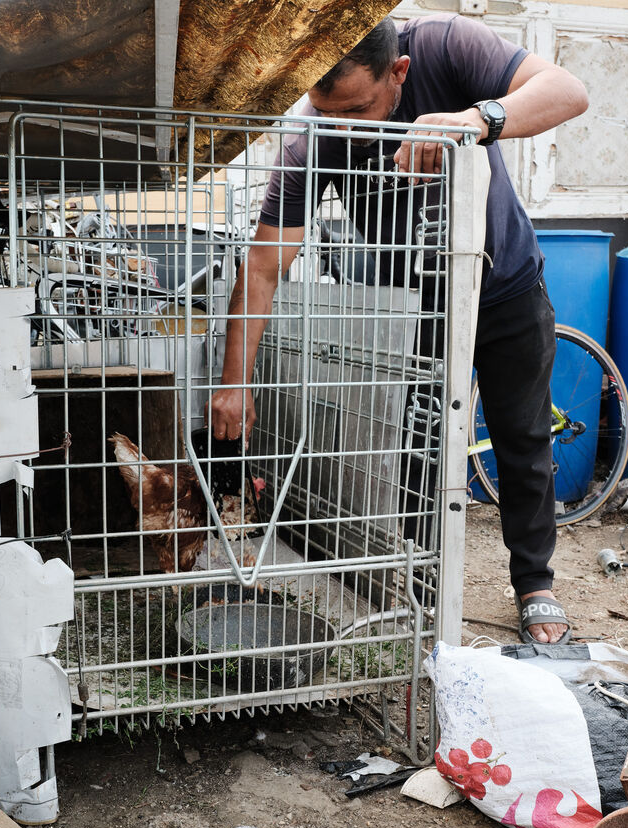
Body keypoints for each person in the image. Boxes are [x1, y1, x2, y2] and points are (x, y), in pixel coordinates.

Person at [208, 14, 588, 645]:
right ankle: (418, 578)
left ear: (399, 74)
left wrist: (476, 120)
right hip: (413, 307)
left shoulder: (444, 45)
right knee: (415, 445)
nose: (344, 129)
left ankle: (534, 583)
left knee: (522, 437)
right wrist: (233, 383)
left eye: (358, 110)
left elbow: (568, 91)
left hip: (504, 284)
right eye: (327, 112)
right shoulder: (313, 139)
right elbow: (265, 266)